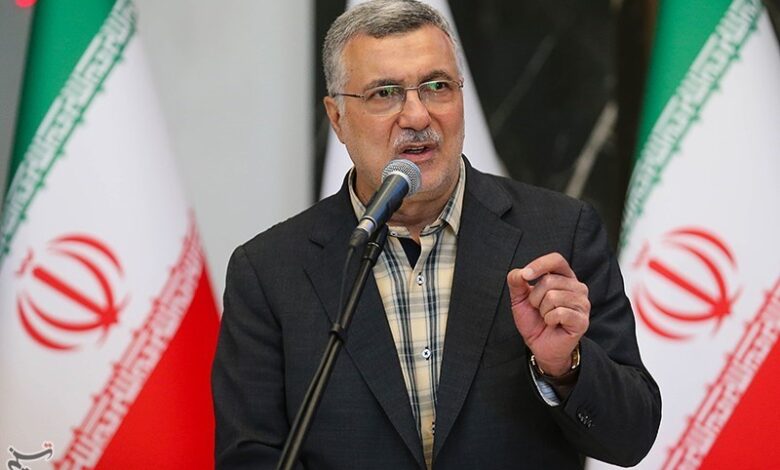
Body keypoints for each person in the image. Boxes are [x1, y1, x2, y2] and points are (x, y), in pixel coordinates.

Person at [211, 0, 661, 468]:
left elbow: (631, 438)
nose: (417, 116)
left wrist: (564, 366)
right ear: (337, 117)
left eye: (437, 87)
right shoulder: (269, 272)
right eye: (385, 93)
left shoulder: (559, 232)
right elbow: (250, 456)